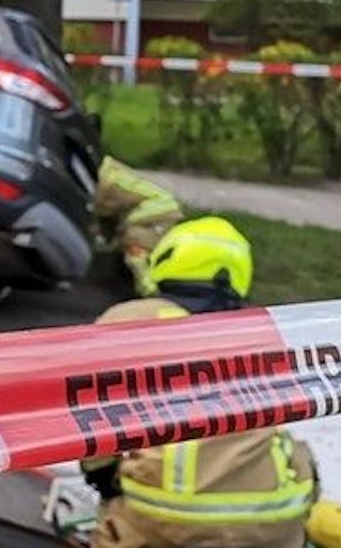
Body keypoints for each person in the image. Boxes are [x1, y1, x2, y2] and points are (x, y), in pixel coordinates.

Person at [83, 217, 319, 548]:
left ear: (167, 259)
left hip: (166, 515)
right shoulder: (260, 330)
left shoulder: (130, 319)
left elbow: (93, 415)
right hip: (276, 514)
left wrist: (104, 478)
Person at [93, 156, 184, 296]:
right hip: (158, 205)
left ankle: (149, 290)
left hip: (155, 209)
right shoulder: (107, 170)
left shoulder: (105, 177)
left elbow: (103, 207)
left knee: (134, 245)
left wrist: (122, 230)